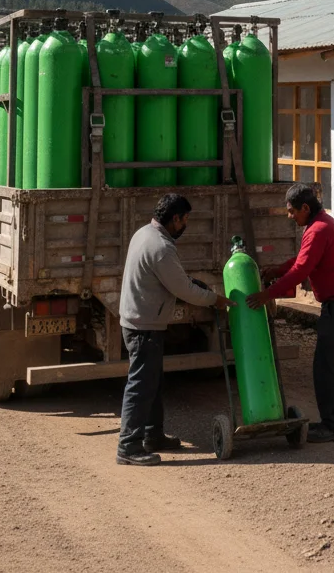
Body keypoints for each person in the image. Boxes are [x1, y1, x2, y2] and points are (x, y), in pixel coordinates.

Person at [117, 193, 231, 466]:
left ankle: (152, 436)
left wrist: (193, 282)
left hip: (138, 320)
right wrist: (214, 299)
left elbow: (172, 277)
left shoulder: (145, 234)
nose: (186, 225)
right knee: (141, 386)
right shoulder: (161, 247)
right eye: (185, 220)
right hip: (143, 325)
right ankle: (128, 447)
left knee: (152, 383)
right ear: (175, 218)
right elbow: (182, 289)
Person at [246, 183, 334, 443]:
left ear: (305, 208)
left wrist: (267, 294)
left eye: (292, 212)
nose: (290, 216)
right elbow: (302, 261)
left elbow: (301, 271)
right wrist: (278, 269)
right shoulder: (321, 224)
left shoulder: (318, 229)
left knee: (325, 368)